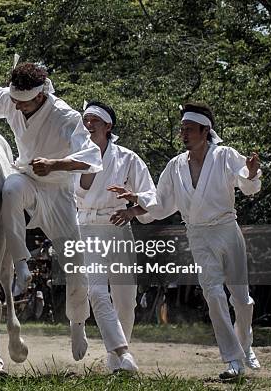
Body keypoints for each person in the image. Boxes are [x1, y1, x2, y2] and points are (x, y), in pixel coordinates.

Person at [111, 102, 261, 379]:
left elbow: (248, 185)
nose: (184, 134)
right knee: (214, 294)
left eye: (190, 129)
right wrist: (134, 204)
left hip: (228, 229)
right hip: (197, 233)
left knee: (241, 299)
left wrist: (251, 173)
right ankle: (234, 360)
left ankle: (246, 344)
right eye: (182, 129)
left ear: (205, 131)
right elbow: (161, 202)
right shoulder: (175, 165)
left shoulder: (225, 155)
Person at [0, 62, 102, 361]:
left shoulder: (66, 116)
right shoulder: (11, 99)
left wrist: (56, 164)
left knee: (75, 263)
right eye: (14, 101)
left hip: (57, 190)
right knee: (10, 189)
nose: (16, 107)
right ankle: (22, 264)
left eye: (23, 102)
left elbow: (92, 157)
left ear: (41, 95)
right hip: (28, 177)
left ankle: (78, 322)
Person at [75, 101, 156, 372]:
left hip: (119, 226)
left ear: (108, 126)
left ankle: (116, 358)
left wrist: (132, 209)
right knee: (96, 291)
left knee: (125, 298)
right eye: (85, 120)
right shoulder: (75, 157)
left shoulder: (128, 158)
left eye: (94, 121)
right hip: (87, 227)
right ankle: (122, 353)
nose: (88, 125)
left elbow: (151, 196)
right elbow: (69, 194)